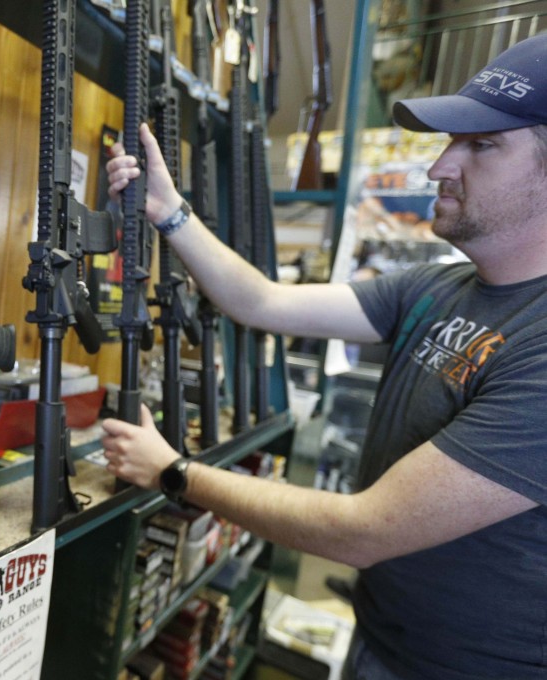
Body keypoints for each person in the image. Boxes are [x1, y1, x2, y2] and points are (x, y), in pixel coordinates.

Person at [101, 33, 547, 680]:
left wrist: (173, 472)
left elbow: (362, 529)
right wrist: (170, 214)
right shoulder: (438, 287)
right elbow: (262, 301)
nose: (438, 167)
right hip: (380, 637)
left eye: (482, 145)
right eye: (454, 141)